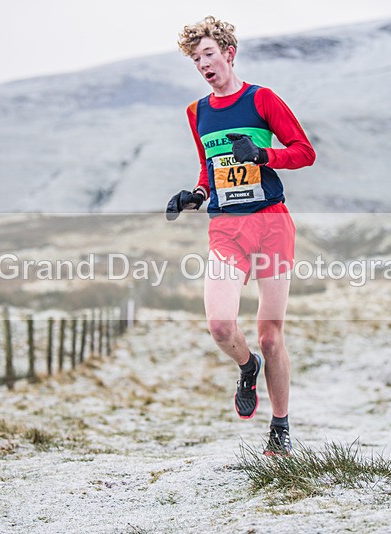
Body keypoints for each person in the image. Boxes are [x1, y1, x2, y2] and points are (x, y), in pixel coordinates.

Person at [166, 16, 316, 455]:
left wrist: (264, 155)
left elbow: (305, 152)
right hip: (227, 228)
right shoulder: (197, 113)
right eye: (196, 60)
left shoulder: (263, 100)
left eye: (208, 54)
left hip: (271, 224)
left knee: (271, 335)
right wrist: (195, 194)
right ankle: (245, 365)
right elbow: (207, 168)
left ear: (229, 53)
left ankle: (280, 427)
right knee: (219, 325)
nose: (203, 65)